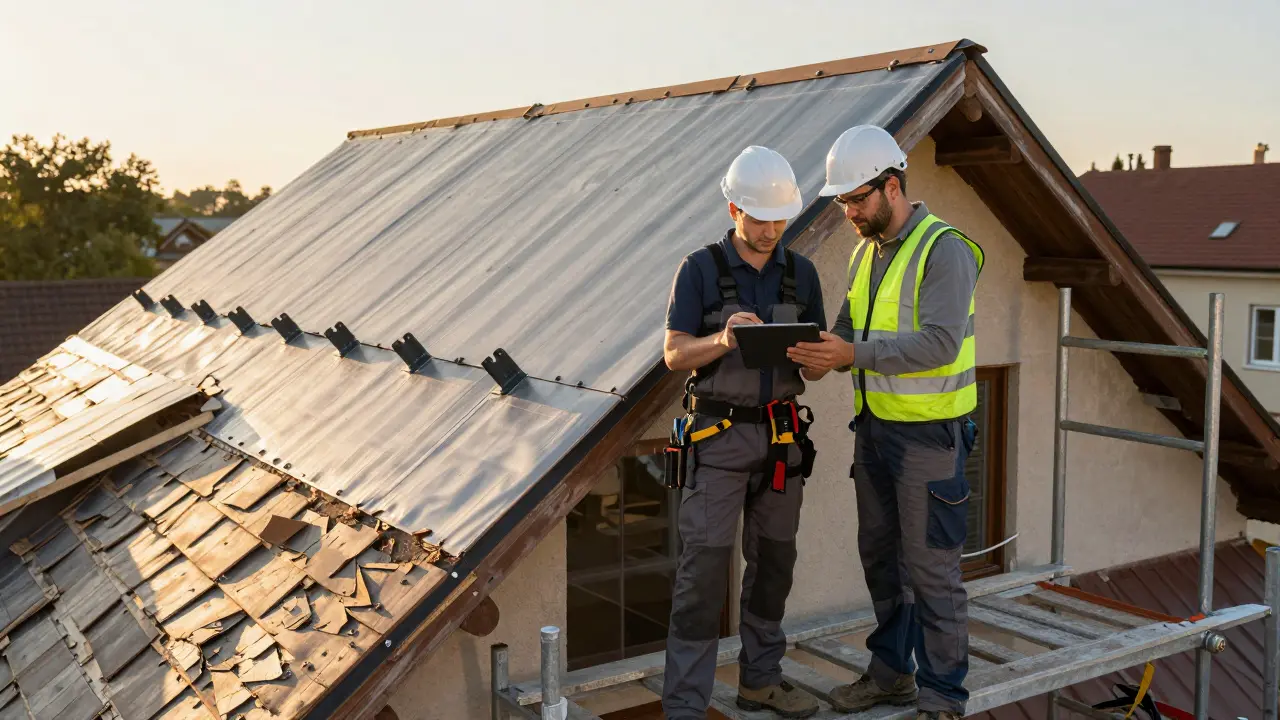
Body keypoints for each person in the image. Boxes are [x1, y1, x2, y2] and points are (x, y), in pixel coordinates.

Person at [787, 125, 984, 720]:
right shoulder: (865, 252)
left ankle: (944, 697)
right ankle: (892, 675)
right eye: (842, 202)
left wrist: (852, 355)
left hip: (929, 436)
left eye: (855, 200)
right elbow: (851, 330)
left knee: (931, 568)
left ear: (891, 186)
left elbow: (942, 344)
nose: (847, 212)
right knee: (881, 559)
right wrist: (819, 352)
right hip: (875, 430)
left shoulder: (942, 248)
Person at [661, 145, 828, 719]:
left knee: (774, 568)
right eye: (760, 219)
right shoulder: (699, 270)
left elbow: (813, 362)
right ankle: (685, 705)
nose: (771, 231)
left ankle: (760, 681)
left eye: (780, 220)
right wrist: (723, 341)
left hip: (782, 443)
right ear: (733, 208)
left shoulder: (801, 274)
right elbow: (674, 354)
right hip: (718, 441)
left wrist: (818, 361)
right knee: (702, 578)